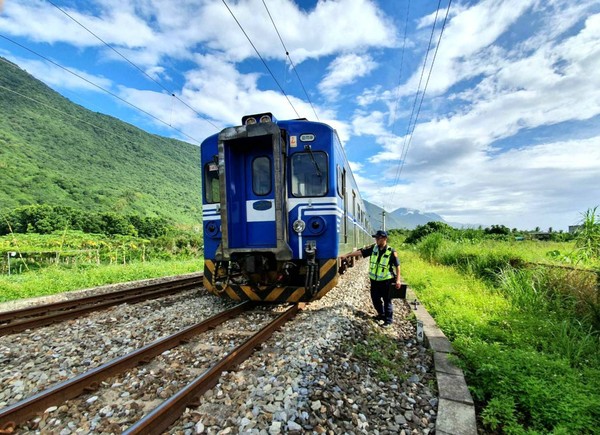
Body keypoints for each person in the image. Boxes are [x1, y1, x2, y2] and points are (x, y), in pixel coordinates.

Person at [344, 230, 401, 327]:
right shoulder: (374, 249)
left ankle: (388, 321)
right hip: (374, 281)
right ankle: (381, 315)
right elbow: (361, 252)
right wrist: (347, 255)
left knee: (387, 301)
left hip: (386, 281)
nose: (376, 240)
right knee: (375, 299)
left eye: (378, 238)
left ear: (384, 239)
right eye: (376, 238)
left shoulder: (391, 251)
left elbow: (397, 266)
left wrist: (398, 280)